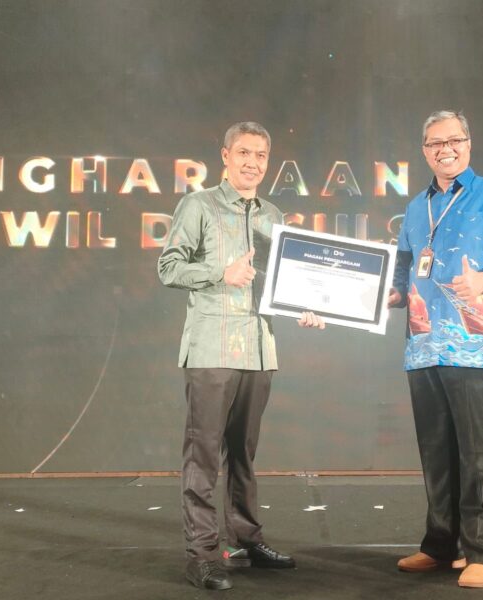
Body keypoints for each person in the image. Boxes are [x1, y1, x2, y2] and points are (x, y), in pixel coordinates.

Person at [158, 121, 324, 591]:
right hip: (212, 347)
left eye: (261, 155)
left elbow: (280, 283)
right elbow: (168, 267)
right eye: (244, 153)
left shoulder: (273, 214)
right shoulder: (198, 205)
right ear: (226, 156)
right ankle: (202, 555)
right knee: (203, 455)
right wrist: (220, 272)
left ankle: (245, 541)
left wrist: (307, 306)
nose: (252, 163)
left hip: (258, 348)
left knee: (244, 455)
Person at [389, 110, 483, 588]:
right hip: (422, 344)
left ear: (468, 144)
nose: (445, 149)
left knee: (480, 451)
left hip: (474, 345)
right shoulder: (416, 207)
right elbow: (405, 264)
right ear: (424, 151)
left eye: (453, 140)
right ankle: (441, 545)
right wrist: (392, 292)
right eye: (435, 143)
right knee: (436, 450)